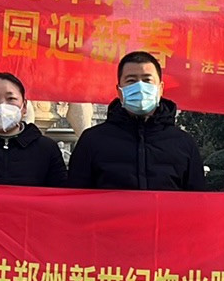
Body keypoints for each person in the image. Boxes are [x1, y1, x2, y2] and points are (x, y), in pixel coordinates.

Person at [66, 50, 205, 190]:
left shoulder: (183, 143)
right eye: (131, 81)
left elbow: (197, 197)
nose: (140, 87)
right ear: (119, 90)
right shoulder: (92, 140)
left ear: (160, 88)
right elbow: (75, 196)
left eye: (147, 80)